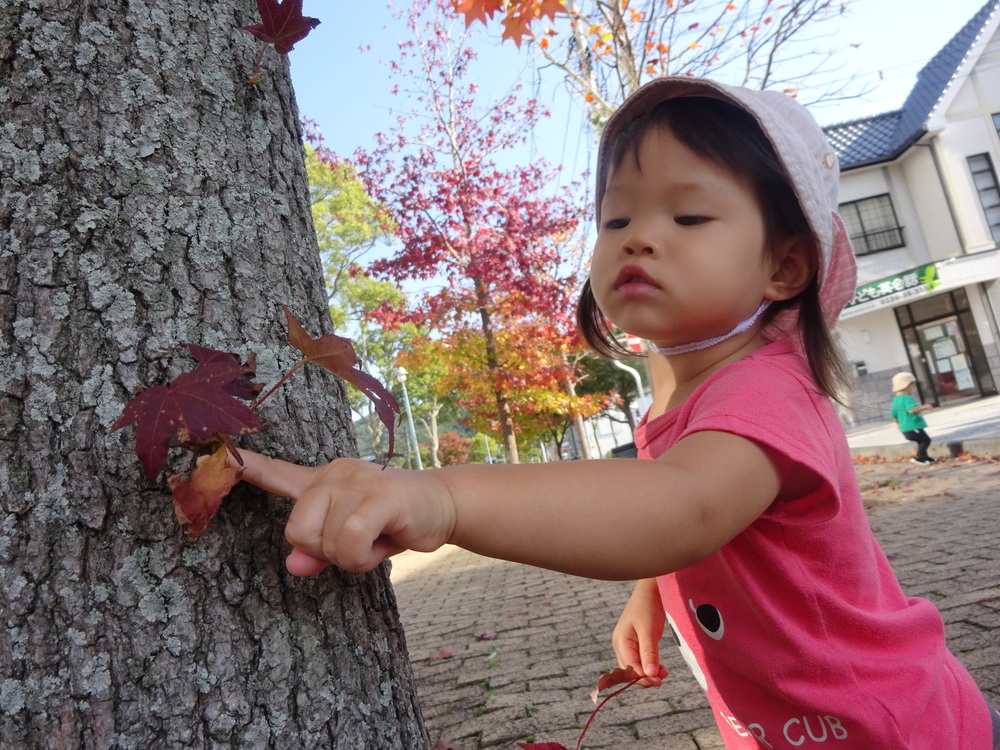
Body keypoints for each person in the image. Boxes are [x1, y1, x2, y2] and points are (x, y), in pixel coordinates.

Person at [233, 78, 999, 748]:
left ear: (784, 266)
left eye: (690, 218)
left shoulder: (769, 389)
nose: (641, 238)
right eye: (616, 219)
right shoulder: (673, 398)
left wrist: (441, 496)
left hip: (895, 728)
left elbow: (684, 505)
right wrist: (653, 591)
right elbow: (681, 518)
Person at [890, 371, 935, 464]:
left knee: (921, 441)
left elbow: (894, 417)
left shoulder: (895, 400)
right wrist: (925, 407)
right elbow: (912, 410)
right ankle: (920, 458)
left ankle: (925, 457)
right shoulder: (906, 398)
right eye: (913, 386)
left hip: (905, 429)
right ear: (906, 386)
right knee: (926, 440)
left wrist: (899, 424)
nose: (913, 389)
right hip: (913, 426)